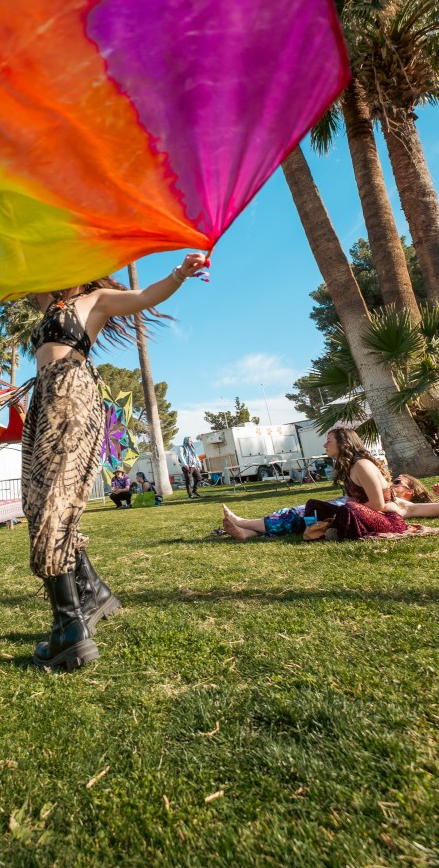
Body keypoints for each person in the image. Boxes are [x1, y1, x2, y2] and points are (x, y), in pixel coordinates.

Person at [23, 251, 208, 670]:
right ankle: (93, 593)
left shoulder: (98, 299)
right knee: (39, 503)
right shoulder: (46, 301)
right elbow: (8, 273)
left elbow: (146, 295)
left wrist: (180, 273)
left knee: (55, 502)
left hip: (72, 394)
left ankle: (69, 627)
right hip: (43, 398)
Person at [222, 428, 408, 541]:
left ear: (344, 444)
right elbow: (352, 498)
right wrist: (328, 509)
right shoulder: (349, 467)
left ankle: (243, 523)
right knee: (314, 506)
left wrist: (338, 511)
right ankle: (249, 533)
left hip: (387, 520)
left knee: (347, 509)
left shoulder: (362, 466)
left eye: (329, 441)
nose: (325, 445)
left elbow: (378, 505)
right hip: (360, 513)